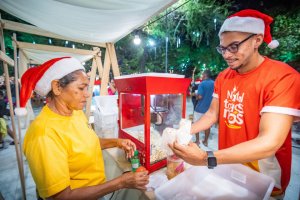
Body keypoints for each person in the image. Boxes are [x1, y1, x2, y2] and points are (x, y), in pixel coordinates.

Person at [169, 9, 300, 198]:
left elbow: (269, 142)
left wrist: (207, 158)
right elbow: (211, 115)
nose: (227, 55)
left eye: (234, 46)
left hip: (263, 176)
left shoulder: (283, 77)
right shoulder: (224, 77)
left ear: (257, 40)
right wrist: (184, 132)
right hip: (227, 167)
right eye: (222, 48)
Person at [16, 57, 149, 199]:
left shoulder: (75, 112)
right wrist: (121, 182)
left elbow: (88, 142)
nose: (87, 94)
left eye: (87, 88)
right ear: (57, 87)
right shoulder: (43, 134)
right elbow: (61, 196)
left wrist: (117, 142)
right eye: (81, 88)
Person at [193, 70, 214, 146]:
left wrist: (196, 95)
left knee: (196, 124)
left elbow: (200, 96)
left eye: (202, 75)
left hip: (200, 108)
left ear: (205, 75)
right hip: (210, 109)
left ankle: (197, 141)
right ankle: (205, 141)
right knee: (207, 125)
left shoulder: (202, 84)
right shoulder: (214, 83)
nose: (201, 76)